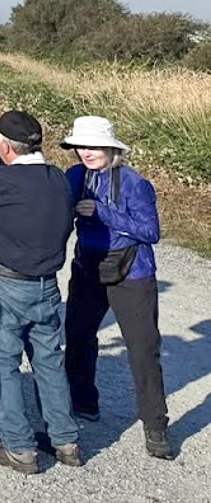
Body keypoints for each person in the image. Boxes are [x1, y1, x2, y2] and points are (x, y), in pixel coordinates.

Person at [0, 109, 82, 474]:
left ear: (4, 146)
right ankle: (65, 440)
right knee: (49, 362)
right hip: (47, 286)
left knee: (4, 364)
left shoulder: (5, 182)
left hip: (5, 286)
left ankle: (20, 447)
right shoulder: (58, 179)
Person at [60, 115, 173, 460]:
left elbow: (150, 232)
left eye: (93, 145)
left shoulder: (134, 183)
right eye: (80, 145)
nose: (86, 152)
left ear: (111, 148)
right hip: (87, 266)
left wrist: (102, 212)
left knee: (142, 349)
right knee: (78, 336)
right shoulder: (75, 176)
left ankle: (155, 427)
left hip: (132, 272)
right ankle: (83, 403)